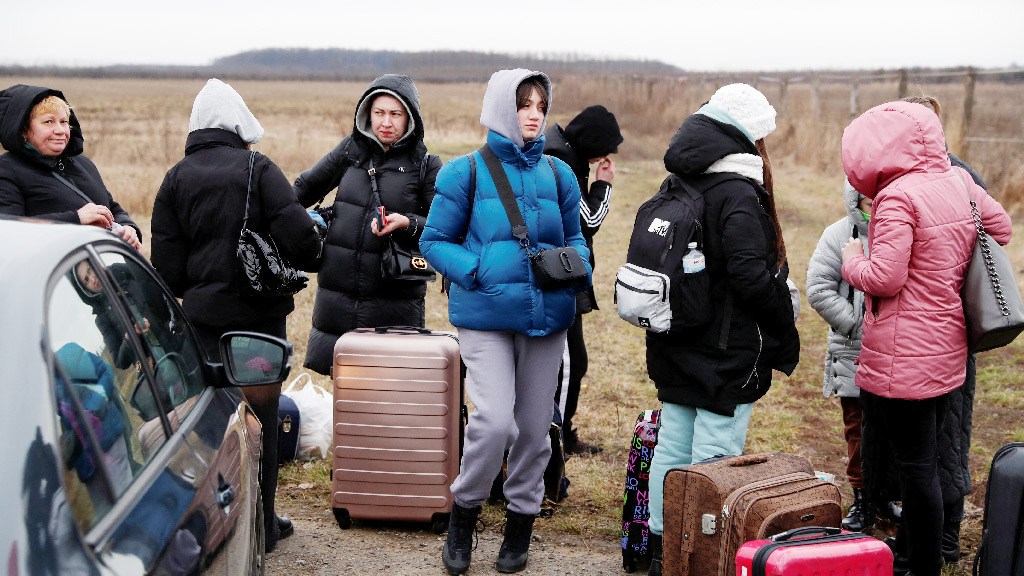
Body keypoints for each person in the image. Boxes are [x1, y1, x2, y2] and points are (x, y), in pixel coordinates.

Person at [420, 69, 591, 574]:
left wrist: (579, 268)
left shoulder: (560, 174)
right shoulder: (463, 172)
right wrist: (477, 270)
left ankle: (521, 521)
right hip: (486, 318)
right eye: (524, 105)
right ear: (501, 109)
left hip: (548, 320)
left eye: (541, 105)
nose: (535, 114)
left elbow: (578, 238)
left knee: (537, 432)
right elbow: (432, 243)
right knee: (495, 423)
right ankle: (464, 513)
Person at [151, 78, 324, 553]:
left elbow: (167, 270)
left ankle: (212, 521)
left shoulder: (175, 178)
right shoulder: (258, 168)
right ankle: (263, 523)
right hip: (258, 324)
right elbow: (303, 244)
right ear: (238, 123)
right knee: (262, 421)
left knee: (211, 423)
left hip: (203, 325)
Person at [840, 100, 1011, 576]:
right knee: (927, 462)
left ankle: (922, 564)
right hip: (948, 346)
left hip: (902, 356)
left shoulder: (898, 196)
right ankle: (917, 555)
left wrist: (852, 258)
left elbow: (885, 277)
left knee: (916, 468)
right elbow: (1002, 227)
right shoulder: (959, 181)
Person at [643, 84, 801, 576]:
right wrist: (783, 318)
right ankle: (698, 561)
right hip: (725, 351)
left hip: (674, 341)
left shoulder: (678, 181)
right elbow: (751, 278)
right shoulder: (737, 191)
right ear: (748, 138)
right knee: (715, 459)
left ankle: (660, 552)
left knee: (672, 446)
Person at [294, 74, 442, 376]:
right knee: (347, 389)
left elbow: (445, 228)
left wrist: (408, 222)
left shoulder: (426, 165)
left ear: (410, 118)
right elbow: (304, 188)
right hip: (338, 297)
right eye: (379, 113)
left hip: (394, 302)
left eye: (395, 114)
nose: (385, 122)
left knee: (389, 390)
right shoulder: (351, 150)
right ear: (367, 114)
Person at [805, 180, 903, 532]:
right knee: (858, 429)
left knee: (896, 429)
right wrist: (856, 328)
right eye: (868, 195)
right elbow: (818, 288)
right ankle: (862, 500)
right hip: (853, 352)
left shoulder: (903, 231)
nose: (876, 202)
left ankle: (886, 499)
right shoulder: (838, 234)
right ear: (854, 194)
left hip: (899, 352)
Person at [543, 105, 622, 456]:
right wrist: (603, 185)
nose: (604, 156)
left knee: (571, 360)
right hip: (556, 275)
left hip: (560, 272)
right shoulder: (560, 161)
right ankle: (556, 437)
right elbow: (587, 221)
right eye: (604, 148)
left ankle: (560, 431)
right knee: (568, 362)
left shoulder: (563, 153)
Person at [0, 85, 141, 249]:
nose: (60, 130)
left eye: (64, 122)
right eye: (48, 122)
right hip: (49, 271)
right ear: (23, 130)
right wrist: (76, 219)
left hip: (97, 267)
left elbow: (112, 207)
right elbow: (9, 231)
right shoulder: (7, 170)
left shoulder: (82, 164)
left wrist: (128, 227)